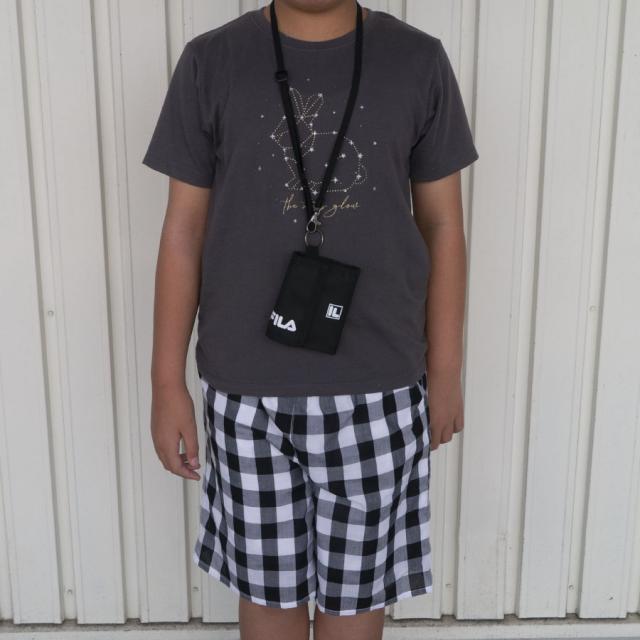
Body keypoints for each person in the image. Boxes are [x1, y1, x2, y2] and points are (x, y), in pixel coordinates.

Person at [142, 1, 478, 638]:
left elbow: (443, 224)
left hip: (378, 389)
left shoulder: (418, 60)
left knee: (356, 604)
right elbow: (183, 230)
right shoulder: (211, 62)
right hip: (246, 394)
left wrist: (446, 370)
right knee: (268, 600)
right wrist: (166, 382)